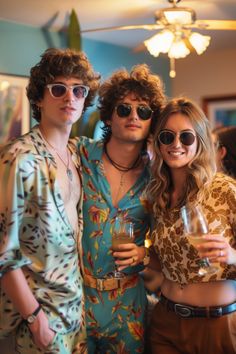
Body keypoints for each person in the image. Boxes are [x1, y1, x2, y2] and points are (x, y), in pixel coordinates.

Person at [0, 47, 100, 353]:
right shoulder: (19, 159)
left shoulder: (79, 154)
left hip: (75, 313)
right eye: (58, 89)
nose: (69, 98)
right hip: (35, 319)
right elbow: (4, 253)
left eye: (78, 91)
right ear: (39, 99)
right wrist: (35, 319)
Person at [77, 64, 166, 353]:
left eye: (143, 111)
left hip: (128, 304)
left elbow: (172, 242)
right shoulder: (79, 155)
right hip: (76, 298)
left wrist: (144, 253)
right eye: (124, 109)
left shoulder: (159, 179)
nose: (133, 117)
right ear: (109, 115)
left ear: (153, 121)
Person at [146, 97, 236, 353]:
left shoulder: (225, 191)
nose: (176, 144)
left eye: (186, 137)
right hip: (166, 323)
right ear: (158, 143)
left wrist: (231, 255)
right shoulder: (157, 196)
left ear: (200, 142)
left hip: (217, 326)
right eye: (167, 136)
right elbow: (167, 263)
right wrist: (143, 256)